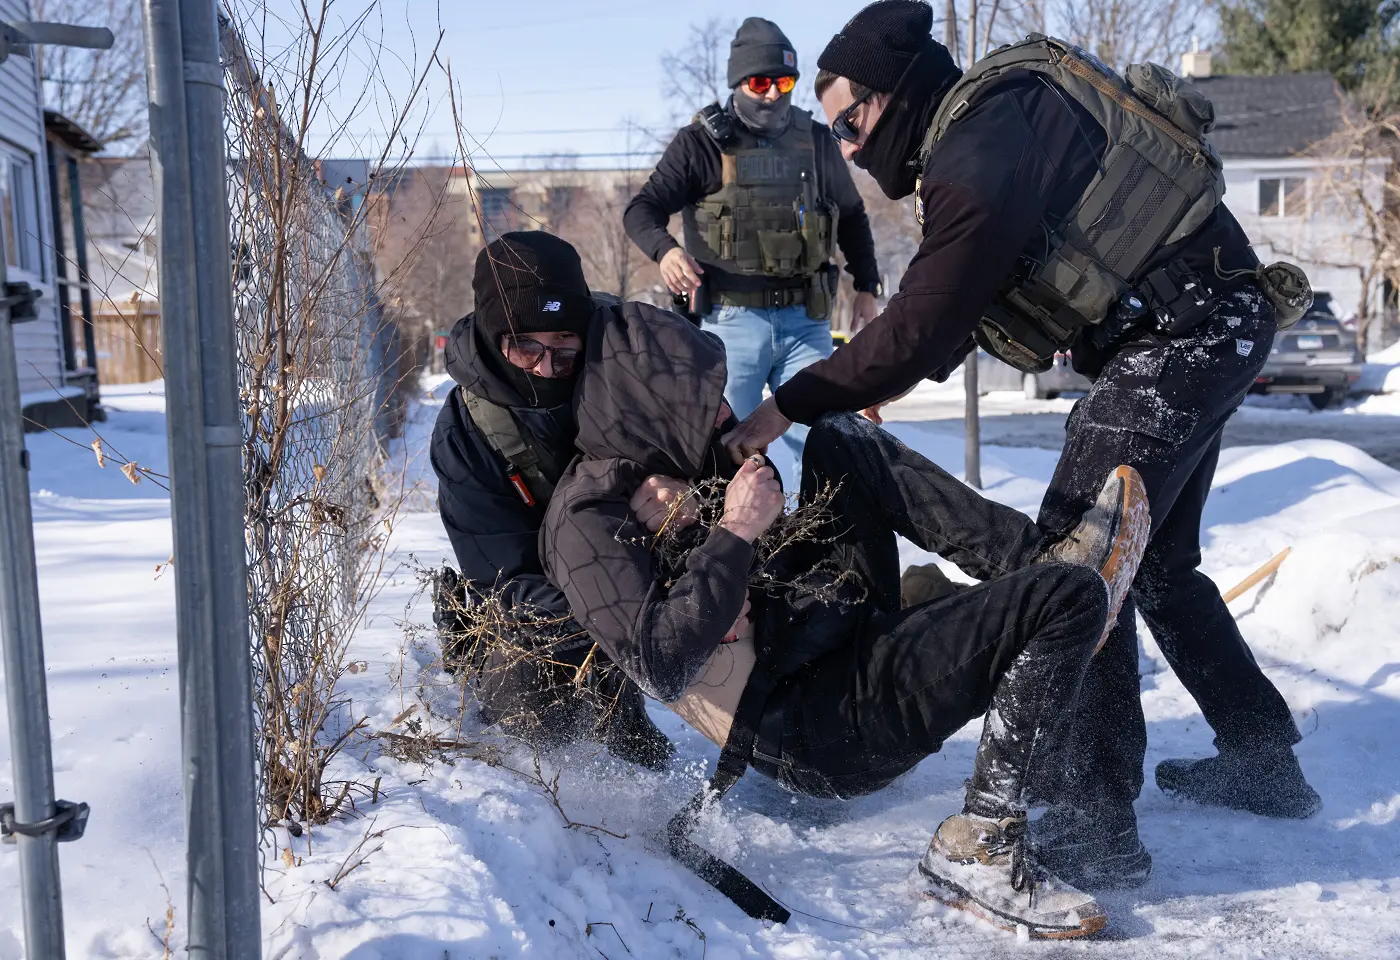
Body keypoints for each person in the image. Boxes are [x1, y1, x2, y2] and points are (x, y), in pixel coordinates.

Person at [722, 0, 1320, 888]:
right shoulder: (996, 116)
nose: (846, 149)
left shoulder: (976, 151)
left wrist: (790, 405)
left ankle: (1092, 818)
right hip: (1210, 321)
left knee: (1078, 560)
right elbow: (971, 297)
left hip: (1181, 336)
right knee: (1154, 563)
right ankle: (1263, 759)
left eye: (850, 124)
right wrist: (887, 373)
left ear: (894, 95)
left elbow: (925, 322)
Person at [540, 302, 1153, 938]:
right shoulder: (585, 521)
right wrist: (731, 529)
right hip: (818, 724)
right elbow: (660, 663)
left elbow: (765, 552)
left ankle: (1040, 562)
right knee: (1067, 598)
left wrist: (729, 509)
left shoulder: (676, 457)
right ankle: (978, 849)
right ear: (646, 407)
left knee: (840, 437)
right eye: (703, 402)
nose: (723, 412)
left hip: (824, 630)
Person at [430, 231, 673, 769]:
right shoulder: (466, 431)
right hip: (544, 605)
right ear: (494, 336)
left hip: (645, 574)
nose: (546, 367)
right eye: (525, 347)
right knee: (533, 717)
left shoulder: (634, 374)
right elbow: (504, 575)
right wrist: (621, 623)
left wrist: (683, 494)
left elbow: (734, 470)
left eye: (565, 344)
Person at [623, 17, 884, 469]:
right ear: (739, 82)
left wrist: (866, 286)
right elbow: (641, 209)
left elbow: (852, 216)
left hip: (806, 321)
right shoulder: (699, 144)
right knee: (727, 448)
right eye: (761, 83)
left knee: (829, 442)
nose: (773, 95)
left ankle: (824, 518)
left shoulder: (815, 140)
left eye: (784, 82)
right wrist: (666, 251)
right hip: (729, 324)